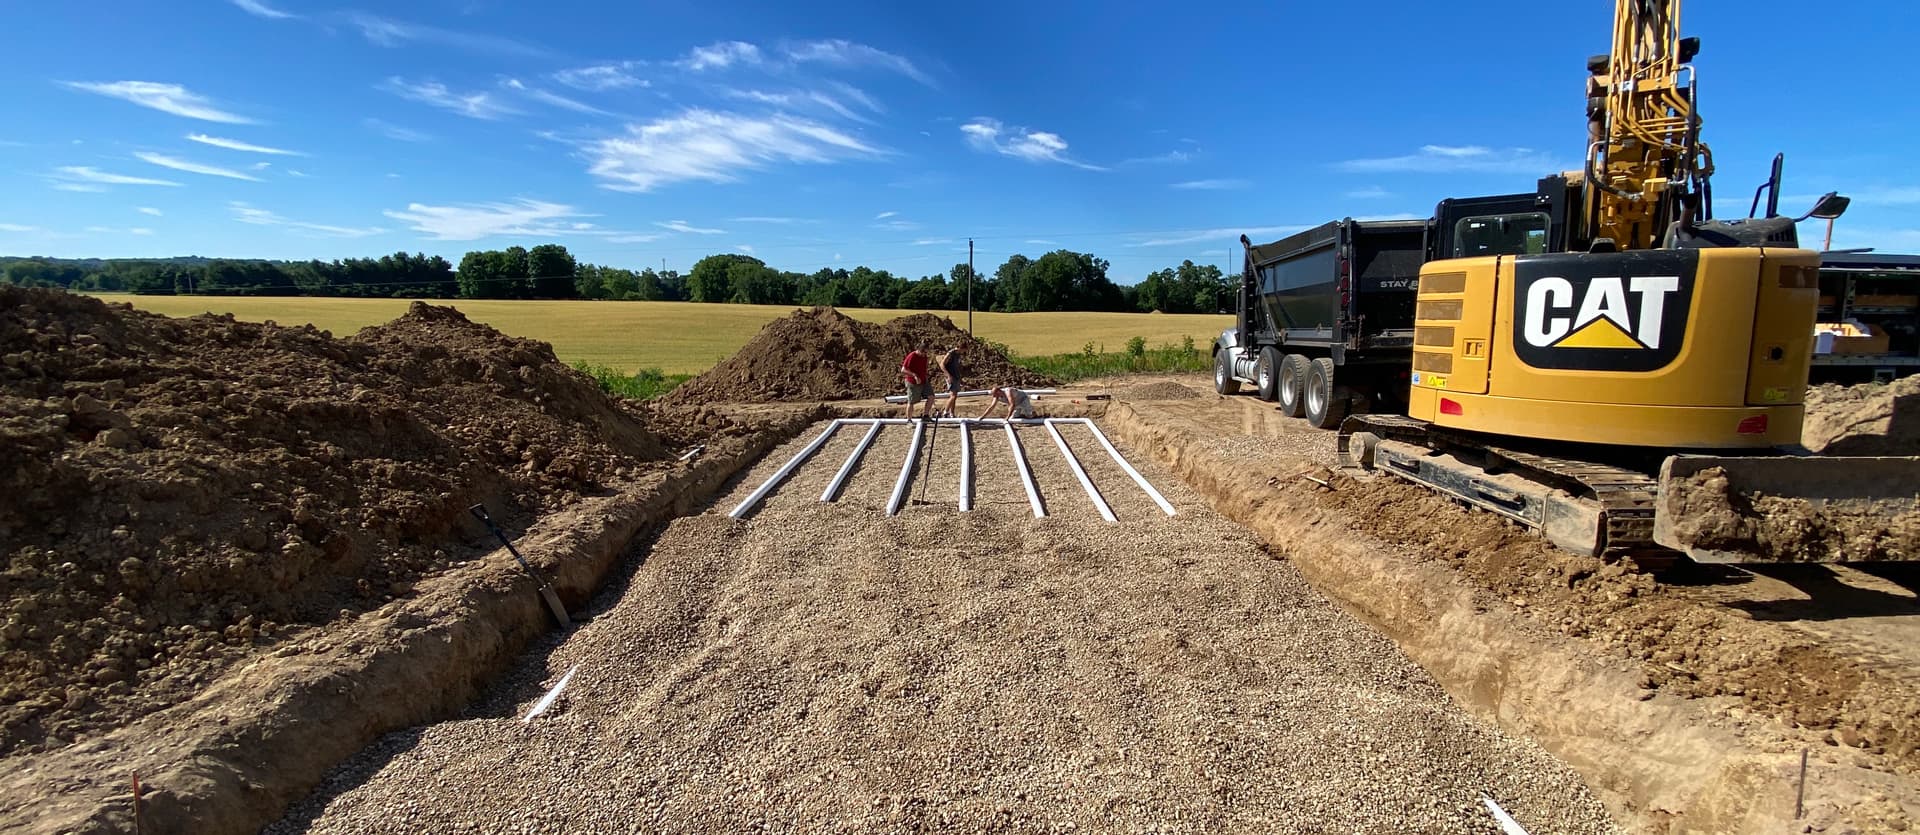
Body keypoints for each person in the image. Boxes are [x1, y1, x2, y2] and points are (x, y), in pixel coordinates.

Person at [900, 344, 934, 420]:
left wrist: (925, 377)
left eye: (926, 353)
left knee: (931, 397)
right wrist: (914, 375)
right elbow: (903, 370)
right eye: (923, 352)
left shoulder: (924, 356)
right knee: (911, 401)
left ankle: (925, 416)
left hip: (924, 381)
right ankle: (909, 419)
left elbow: (923, 368)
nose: (925, 354)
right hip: (913, 382)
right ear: (919, 351)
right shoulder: (912, 356)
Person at [937, 346, 965, 418]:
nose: (964, 351)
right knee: (953, 396)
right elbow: (942, 365)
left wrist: (960, 378)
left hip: (956, 377)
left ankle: (951, 413)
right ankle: (945, 412)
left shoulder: (957, 354)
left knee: (954, 396)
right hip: (951, 377)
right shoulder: (951, 353)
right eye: (964, 349)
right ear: (960, 348)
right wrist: (948, 375)